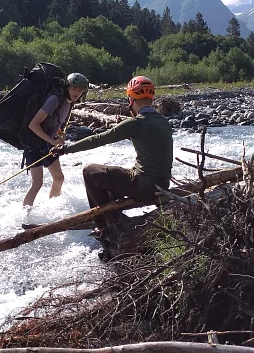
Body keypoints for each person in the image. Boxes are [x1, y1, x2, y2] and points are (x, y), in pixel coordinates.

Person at [54, 76, 173, 234]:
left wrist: (66, 149)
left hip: (145, 187)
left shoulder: (136, 123)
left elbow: (98, 139)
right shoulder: (163, 121)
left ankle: (104, 225)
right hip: (163, 185)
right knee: (112, 184)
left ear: (130, 98)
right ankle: (115, 218)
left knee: (90, 171)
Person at [22, 72, 89, 207]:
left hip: (47, 144)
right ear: (67, 87)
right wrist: (52, 141)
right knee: (37, 183)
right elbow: (33, 125)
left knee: (59, 178)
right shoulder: (55, 99)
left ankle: (54, 207)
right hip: (33, 143)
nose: (77, 93)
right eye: (74, 89)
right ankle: (25, 216)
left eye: (80, 91)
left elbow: (52, 121)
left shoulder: (70, 102)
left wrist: (57, 133)